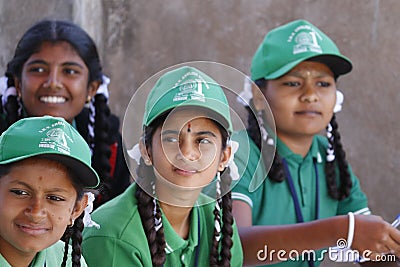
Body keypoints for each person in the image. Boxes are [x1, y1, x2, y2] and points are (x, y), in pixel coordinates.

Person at [231, 19, 400, 266]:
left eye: (323, 84)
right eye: (293, 83)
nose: (310, 95)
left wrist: (389, 245)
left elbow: (371, 253)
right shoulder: (236, 154)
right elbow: (233, 246)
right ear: (258, 97)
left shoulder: (329, 158)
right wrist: (340, 229)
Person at [82, 65, 243, 266]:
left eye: (203, 141)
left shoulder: (218, 222)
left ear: (224, 157)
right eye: (172, 138)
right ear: (146, 150)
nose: (187, 153)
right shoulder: (113, 236)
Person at [0, 19, 130, 209]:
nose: (53, 82)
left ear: (91, 89)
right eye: (38, 69)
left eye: (69, 71)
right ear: (18, 83)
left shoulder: (110, 144)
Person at [0, 116, 100, 267]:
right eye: (20, 192)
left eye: (55, 198)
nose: (36, 213)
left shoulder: (64, 259)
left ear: (77, 209)